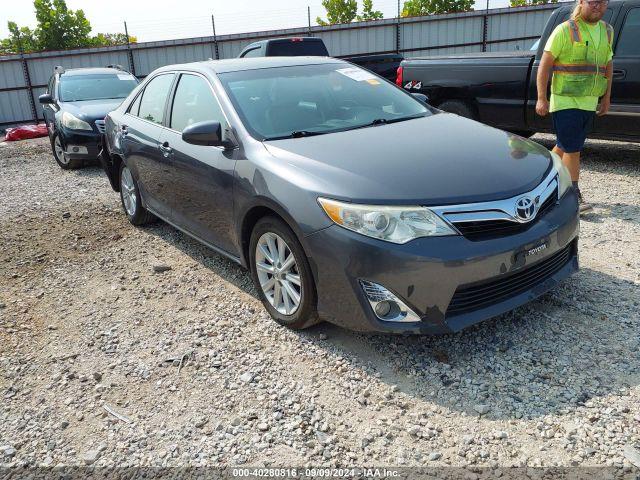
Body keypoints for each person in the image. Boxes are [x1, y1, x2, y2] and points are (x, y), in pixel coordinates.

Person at [536, 0, 614, 214]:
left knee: (564, 146)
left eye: (602, 2)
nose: (597, 5)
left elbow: (608, 63)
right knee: (573, 149)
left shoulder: (607, 30)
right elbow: (545, 64)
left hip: (589, 101)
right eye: (593, 1)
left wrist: (606, 97)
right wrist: (541, 98)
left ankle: (539, 180)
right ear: (581, 2)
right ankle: (574, 196)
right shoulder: (565, 30)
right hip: (565, 100)